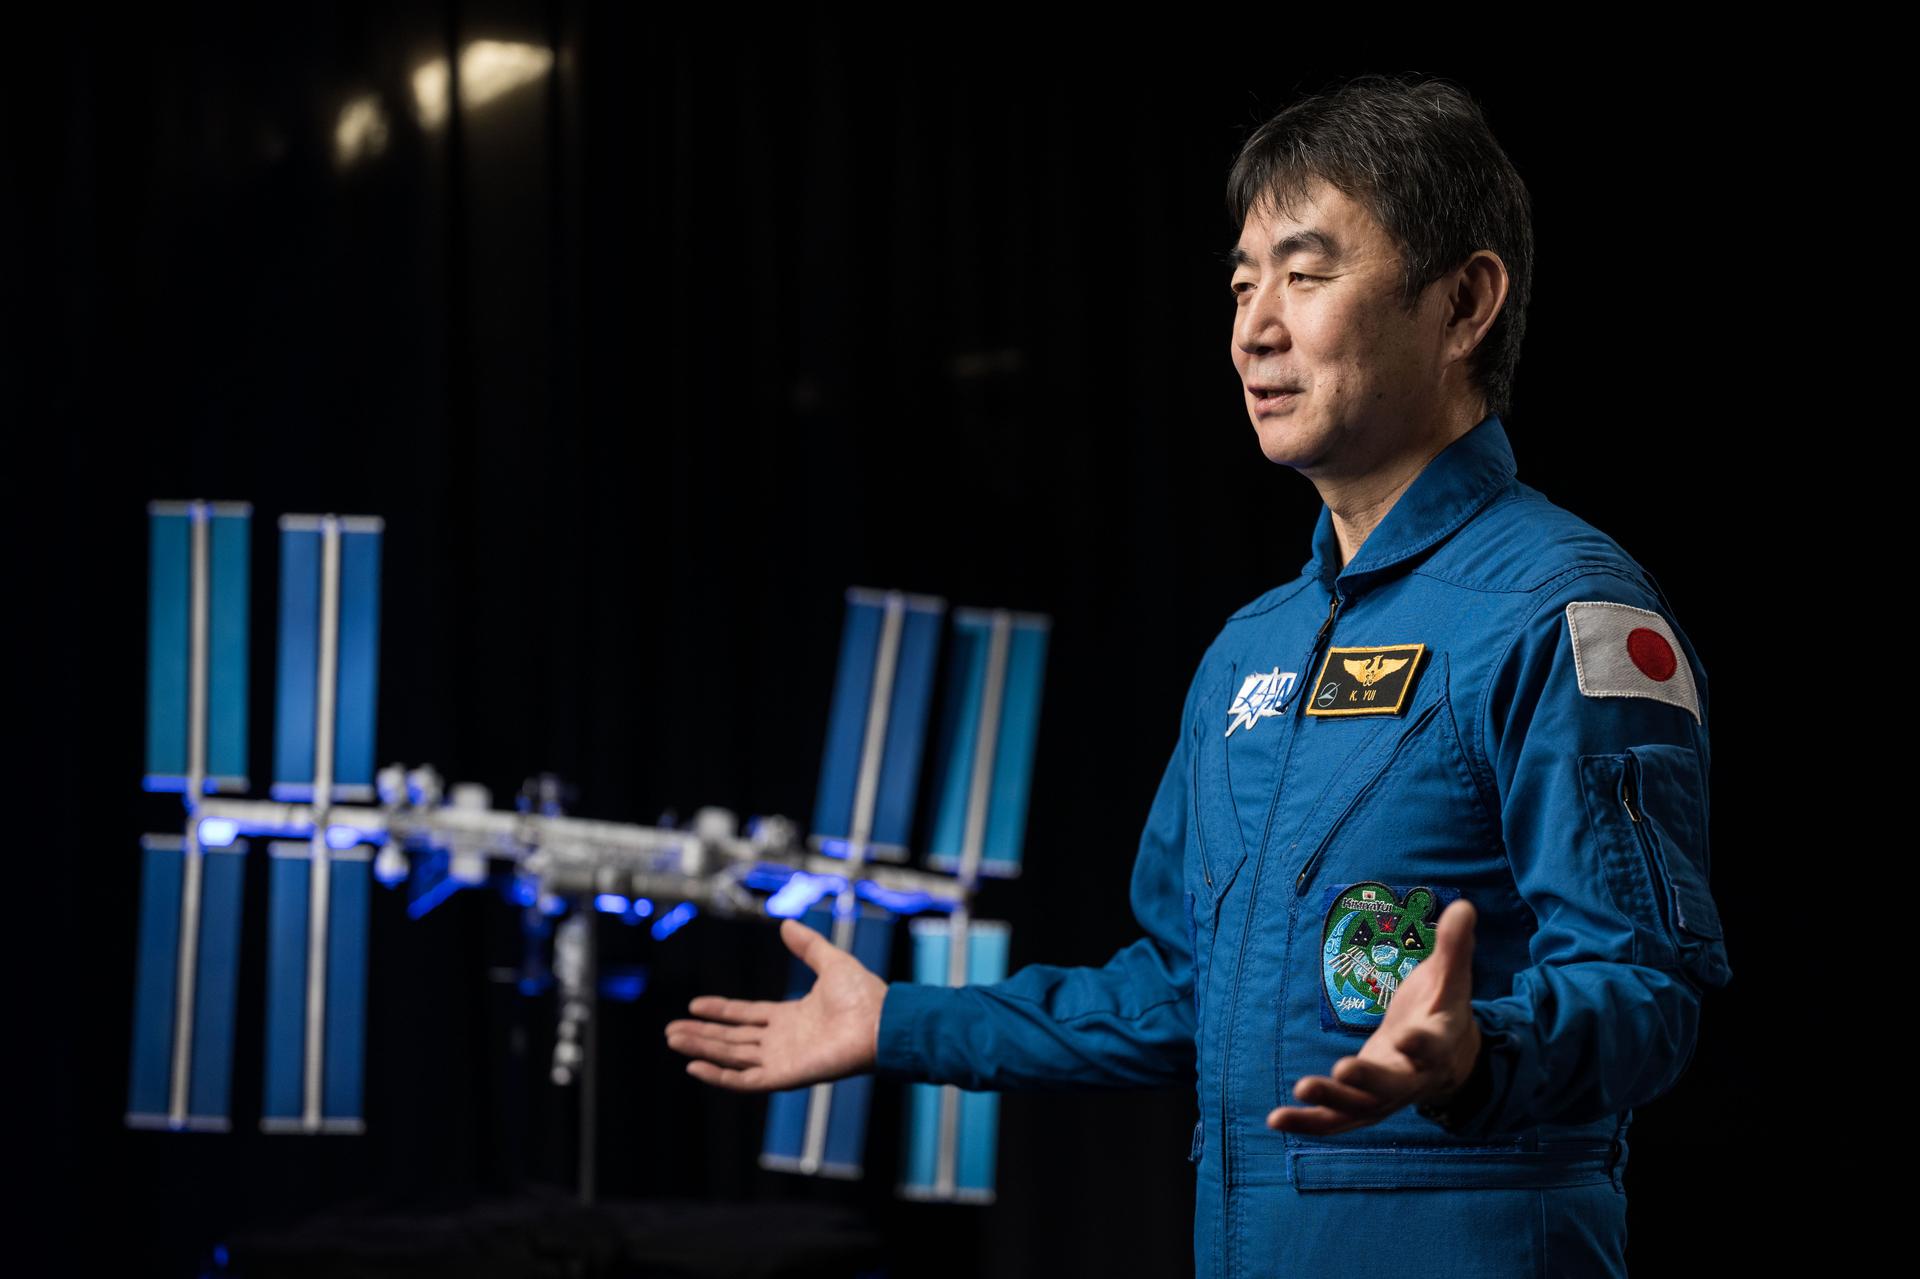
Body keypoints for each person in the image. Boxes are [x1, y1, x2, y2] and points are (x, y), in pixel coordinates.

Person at [665, 73, 1732, 1277]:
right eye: (1241, 282)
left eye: (1307, 273)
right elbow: (1184, 992)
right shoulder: (1253, 650)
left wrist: (1478, 1052)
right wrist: (902, 1022)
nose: (1253, 328)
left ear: (1464, 302)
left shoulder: (1561, 608)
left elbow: (1647, 987)